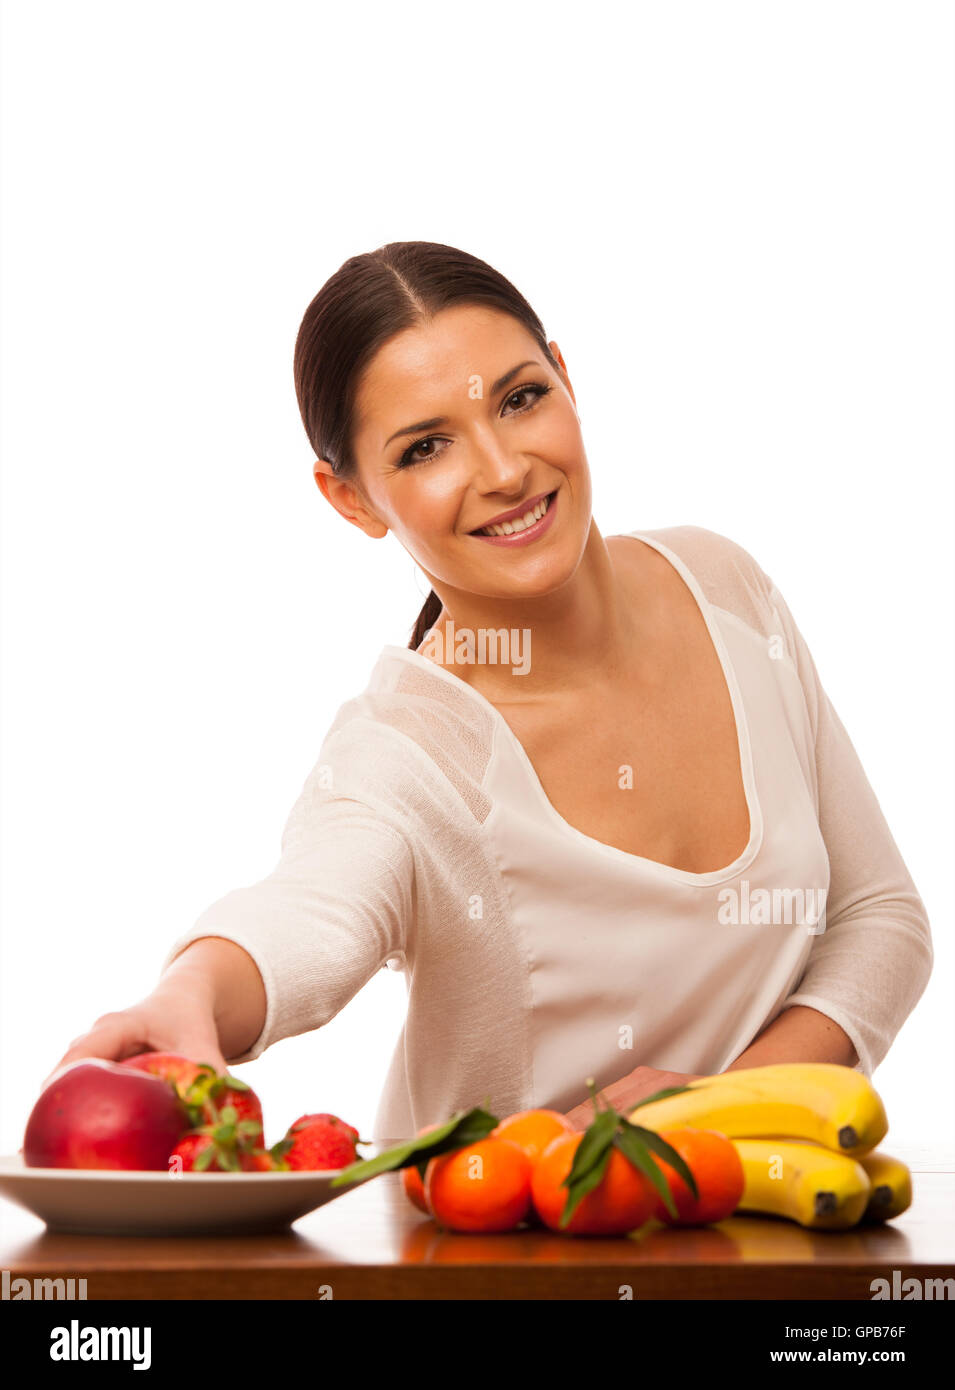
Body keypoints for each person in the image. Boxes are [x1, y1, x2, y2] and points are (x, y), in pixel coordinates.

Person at [50, 241, 933, 1139]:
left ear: (566, 378)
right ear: (350, 501)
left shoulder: (725, 588)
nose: (503, 470)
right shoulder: (407, 751)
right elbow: (311, 909)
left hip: (760, 1239)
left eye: (519, 398)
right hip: (485, 1259)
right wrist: (192, 988)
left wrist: (723, 1105)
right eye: (425, 447)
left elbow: (879, 919)